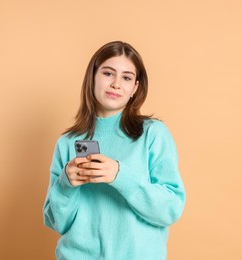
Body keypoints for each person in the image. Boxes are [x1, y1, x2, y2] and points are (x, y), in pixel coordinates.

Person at [43, 41, 186, 259]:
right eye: (108, 73)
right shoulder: (67, 142)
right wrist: (65, 183)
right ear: (92, 77)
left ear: (135, 88)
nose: (116, 84)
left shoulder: (152, 134)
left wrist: (120, 175)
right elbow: (57, 223)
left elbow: (170, 209)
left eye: (127, 77)